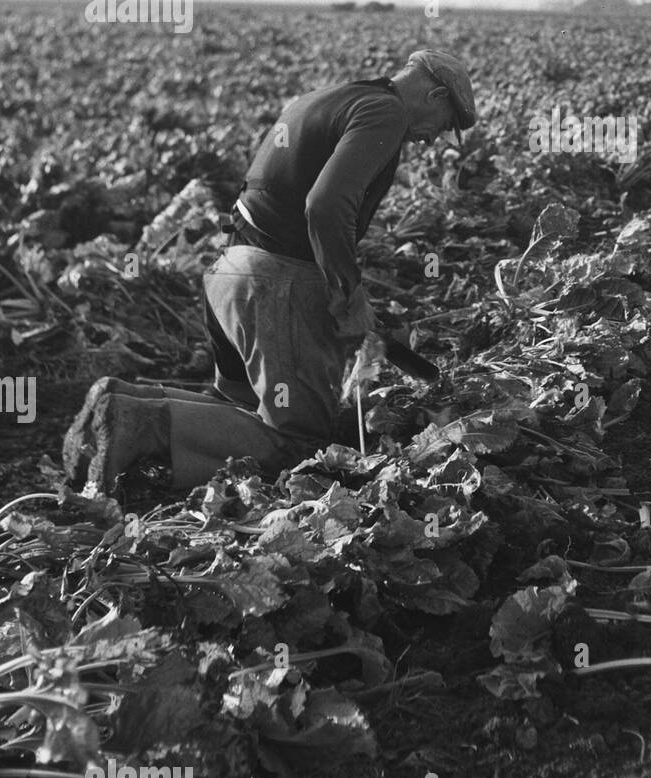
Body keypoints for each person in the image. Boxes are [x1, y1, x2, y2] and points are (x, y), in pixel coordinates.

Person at [63, 49, 477, 493]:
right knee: (298, 444)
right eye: (446, 124)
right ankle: (137, 421)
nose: (434, 140)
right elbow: (325, 205)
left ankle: (122, 401)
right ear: (435, 94)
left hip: (231, 271)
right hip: (273, 284)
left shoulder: (327, 97)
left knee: (244, 410)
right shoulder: (386, 111)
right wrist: (346, 294)